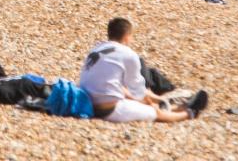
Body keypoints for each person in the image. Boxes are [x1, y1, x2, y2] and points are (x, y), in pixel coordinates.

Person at [79, 18, 208, 123]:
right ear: (127, 36)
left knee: (143, 102)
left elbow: (119, 87)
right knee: (156, 113)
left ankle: (175, 106)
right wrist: (157, 101)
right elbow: (138, 92)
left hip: (86, 101)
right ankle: (190, 112)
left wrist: (154, 100)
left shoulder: (96, 49)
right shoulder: (128, 54)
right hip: (107, 109)